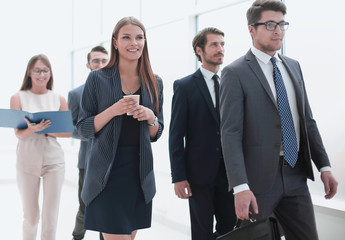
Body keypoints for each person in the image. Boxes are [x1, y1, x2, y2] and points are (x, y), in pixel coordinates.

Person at [219, 1, 338, 239]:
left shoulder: (293, 66)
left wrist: (324, 166)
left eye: (282, 24)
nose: (278, 30)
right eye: (270, 24)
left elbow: (307, 121)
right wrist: (240, 187)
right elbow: (230, 133)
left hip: (295, 174)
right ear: (252, 30)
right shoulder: (235, 72)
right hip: (258, 180)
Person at [76, 16, 164, 240]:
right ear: (115, 42)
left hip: (139, 172)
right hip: (107, 172)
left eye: (139, 37)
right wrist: (113, 110)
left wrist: (151, 116)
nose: (134, 42)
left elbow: (156, 132)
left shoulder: (154, 81)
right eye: (126, 37)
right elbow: (84, 127)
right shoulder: (97, 79)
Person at [169, 27, 236, 240]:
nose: (220, 49)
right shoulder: (184, 86)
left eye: (222, 44)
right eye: (214, 44)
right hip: (199, 175)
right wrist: (179, 177)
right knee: (202, 232)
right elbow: (175, 135)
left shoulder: (232, 83)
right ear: (199, 50)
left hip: (231, 173)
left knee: (232, 229)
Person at [10, 54, 72, 240]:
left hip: (54, 160)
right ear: (29, 72)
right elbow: (18, 134)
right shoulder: (18, 97)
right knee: (31, 217)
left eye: (45, 70)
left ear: (50, 73)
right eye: (37, 70)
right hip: (27, 160)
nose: (41, 74)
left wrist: (46, 130)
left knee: (50, 218)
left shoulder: (58, 98)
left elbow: (68, 132)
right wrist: (32, 129)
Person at [68, 45, 109, 240]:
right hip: (87, 160)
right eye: (96, 61)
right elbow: (72, 129)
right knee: (84, 205)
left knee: (108, 208)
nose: (100, 64)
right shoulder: (76, 94)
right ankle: (77, 237)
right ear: (88, 64)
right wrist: (94, 131)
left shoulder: (116, 90)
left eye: (103, 60)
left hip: (111, 159)